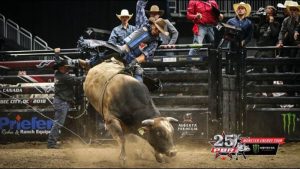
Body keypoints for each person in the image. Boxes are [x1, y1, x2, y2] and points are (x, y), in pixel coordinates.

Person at [79, 0, 169, 82]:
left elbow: (145, 55)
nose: (156, 31)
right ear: (154, 25)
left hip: (133, 58)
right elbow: (139, 5)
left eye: (159, 31)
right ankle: (89, 63)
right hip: (123, 49)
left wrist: (134, 61)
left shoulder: (154, 42)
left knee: (138, 76)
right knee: (108, 49)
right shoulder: (144, 23)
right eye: (156, 28)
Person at [47, 48, 84, 149]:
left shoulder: (59, 74)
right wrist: (88, 76)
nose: (68, 69)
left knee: (58, 122)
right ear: (62, 68)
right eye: (66, 67)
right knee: (58, 123)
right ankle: (51, 143)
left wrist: (56, 54)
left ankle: (52, 141)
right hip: (61, 102)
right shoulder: (64, 77)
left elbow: (57, 62)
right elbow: (76, 80)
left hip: (61, 101)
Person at [253, 5, 280, 97]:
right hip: (260, 49)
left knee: (270, 71)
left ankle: (269, 91)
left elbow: (275, 35)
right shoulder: (262, 23)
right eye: (267, 13)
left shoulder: (276, 24)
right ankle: (259, 91)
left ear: (273, 14)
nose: (268, 15)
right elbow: (255, 35)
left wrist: (271, 23)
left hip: (270, 49)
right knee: (258, 70)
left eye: (270, 13)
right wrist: (259, 22)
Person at [146, 4, 179, 71]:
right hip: (156, 49)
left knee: (171, 67)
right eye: (152, 14)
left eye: (156, 14)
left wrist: (170, 44)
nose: (154, 15)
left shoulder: (165, 21)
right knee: (160, 68)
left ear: (159, 14)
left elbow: (175, 32)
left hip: (166, 48)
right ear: (150, 14)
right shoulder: (148, 24)